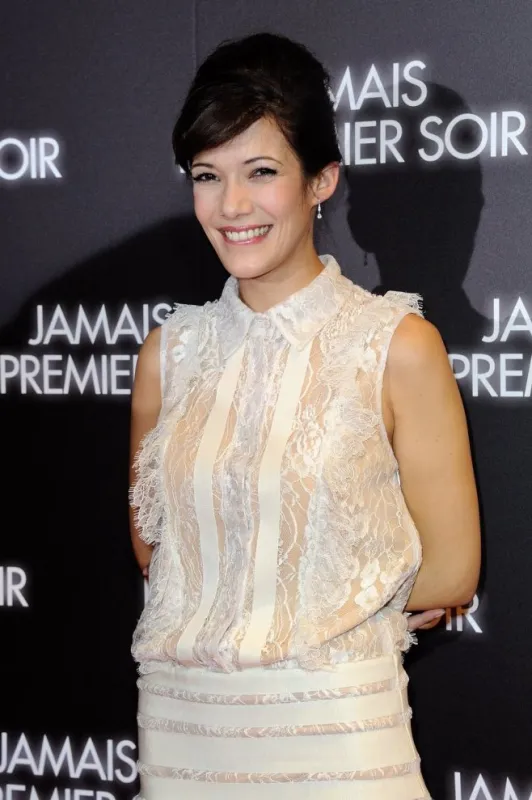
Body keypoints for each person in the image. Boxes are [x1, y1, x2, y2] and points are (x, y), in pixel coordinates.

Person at [128, 32, 481, 800]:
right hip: (186, 737)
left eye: (262, 173)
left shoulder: (395, 346)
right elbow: (157, 553)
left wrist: (293, 619)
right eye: (207, 176)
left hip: (336, 734)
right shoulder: (169, 354)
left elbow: (453, 570)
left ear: (322, 181)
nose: (232, 207)